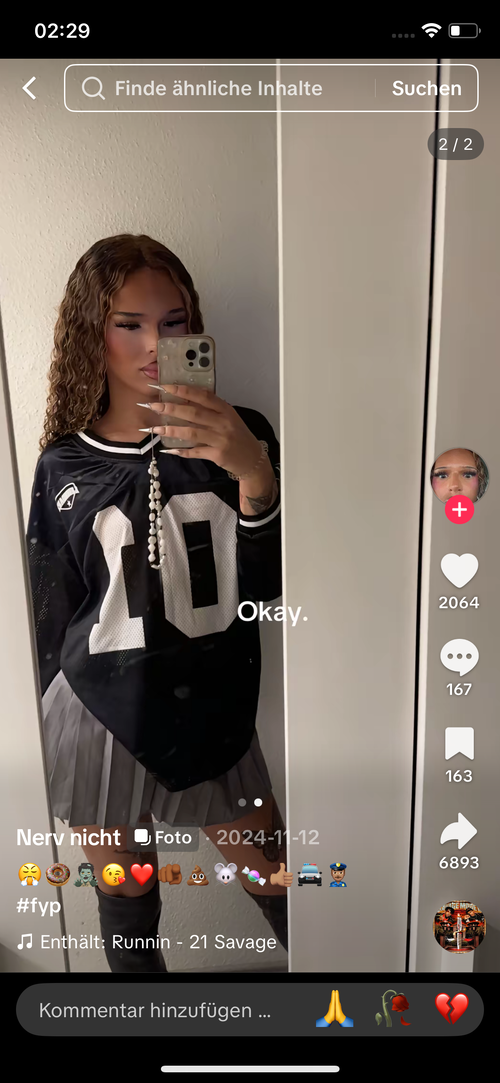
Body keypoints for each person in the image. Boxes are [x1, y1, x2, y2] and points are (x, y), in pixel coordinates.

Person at [26, 233, 287, 972]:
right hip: (93, 714)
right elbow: (49, 611)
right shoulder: (63, 462)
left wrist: (253, 473)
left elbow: (267, 587)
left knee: (282, 882)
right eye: (129, 323)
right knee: (128, 907)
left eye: (173, 323)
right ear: (93, 333)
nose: (153, 344)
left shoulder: (244, 434)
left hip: (213, 710)